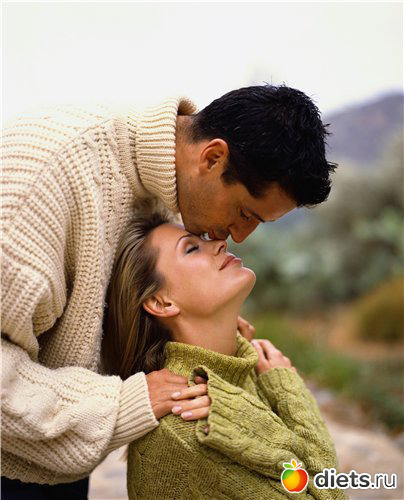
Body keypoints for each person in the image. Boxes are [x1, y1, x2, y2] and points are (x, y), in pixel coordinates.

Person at [1, 85, 336, 494]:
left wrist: (211, 335)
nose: (238, 237)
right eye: (244, 213)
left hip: (55, 454)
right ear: (212, 158)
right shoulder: (38, 184)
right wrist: (124, 403)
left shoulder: (164, 182)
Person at [102, 203, 346, 499]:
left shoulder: (244, 371)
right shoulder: (187, 424)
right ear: (161, 303)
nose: (220, 243)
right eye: (192, 249)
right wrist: (286, 388)